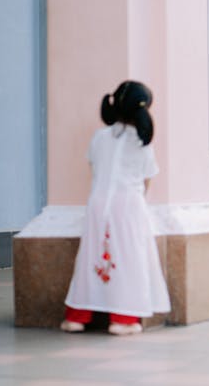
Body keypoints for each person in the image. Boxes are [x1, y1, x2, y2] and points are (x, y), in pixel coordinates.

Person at [60, 80, 170, 336]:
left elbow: (95, 170)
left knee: (90, 257)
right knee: (128, 260)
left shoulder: (100, 137)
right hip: (130, 205)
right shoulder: (142, 142)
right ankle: (122, 319)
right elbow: (146, 180)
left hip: (97, 204)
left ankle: (76, 317)